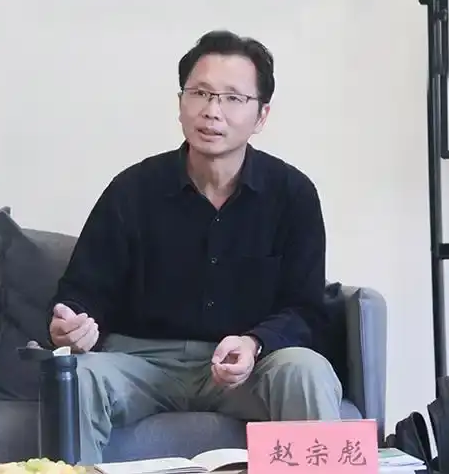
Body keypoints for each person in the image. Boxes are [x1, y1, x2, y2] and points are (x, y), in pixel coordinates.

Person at [48, 29, 342, 463]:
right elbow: (82, 292)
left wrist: (255, 343)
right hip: (142, 363)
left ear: (261, 115)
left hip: (247, 367)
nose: (212, 111)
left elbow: (306, 309)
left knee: (306, 370)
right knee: (79, 376)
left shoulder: (292, 195)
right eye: (200, 93)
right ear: (181, 103)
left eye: (232, 98)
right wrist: (72, 325)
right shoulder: (133, 190)